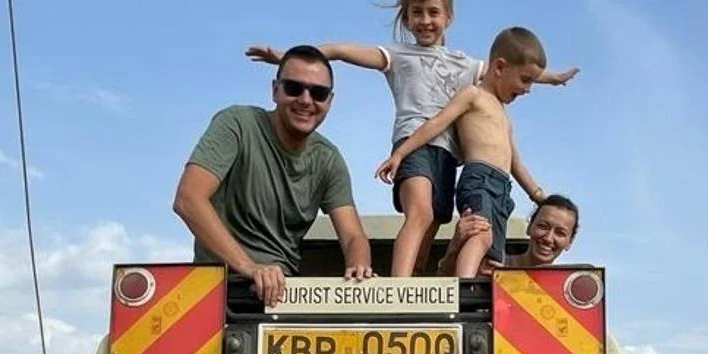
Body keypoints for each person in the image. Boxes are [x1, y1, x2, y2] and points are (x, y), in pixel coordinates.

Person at [246, 2, 577, 278]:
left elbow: (516, 66)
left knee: (434, 220)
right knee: (420, 213)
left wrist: (551, 78)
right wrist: (288, 58)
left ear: (448, 16)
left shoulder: (466, 65)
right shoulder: (399, 55)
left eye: (433, 12)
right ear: (406, 18)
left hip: (447, 154)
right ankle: (399, 286)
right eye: (416, 12)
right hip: (414, 142)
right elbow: (340, 51)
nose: (425, 20)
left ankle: (415, 280)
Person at [172, 45, 373, 307]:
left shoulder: (328, 159)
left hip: (282, 295)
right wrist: (250, 267)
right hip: (217, 289)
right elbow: (188, 199)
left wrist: (359, 268)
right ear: (275, 90)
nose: (306, 100)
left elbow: (353, 236)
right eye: (293, 88)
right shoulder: (237, 124)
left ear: (330, 101)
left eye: (318, 93)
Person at [375, 27, 550, 278]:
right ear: (499, 67)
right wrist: (400, 154)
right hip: (480, 179)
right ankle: (463, 284)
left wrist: (539, 196)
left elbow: (516, 163)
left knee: (493, 254)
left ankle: (477, 286)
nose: (528, 89)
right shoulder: (473, 95)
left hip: (502, 188)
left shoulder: (504, 115)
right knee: (480, 234)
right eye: (525, 80)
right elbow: (436, 123)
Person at [436, 194, 579, 276]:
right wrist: (456, 244)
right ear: (529, 227)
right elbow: (446, 290)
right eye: (543, 226)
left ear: (570, 241)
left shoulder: (568, 288)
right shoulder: (492, 262)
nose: (548, 238)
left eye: (560, 233)